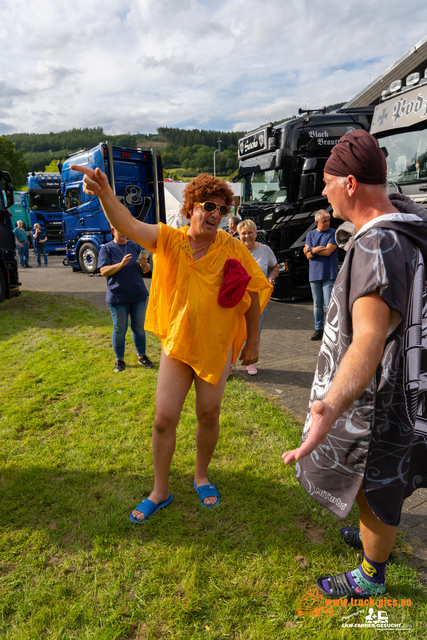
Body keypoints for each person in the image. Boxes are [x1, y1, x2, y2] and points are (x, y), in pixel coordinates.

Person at [71, 166, 272, 523]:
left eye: (223, 210)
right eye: (209, 206)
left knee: (208, 413)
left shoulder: (232, 248)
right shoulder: (170, 240)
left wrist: (253, 342)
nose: (216, 215)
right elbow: (130, 224)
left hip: (216, 344)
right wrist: (105, 195)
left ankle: (201, 476)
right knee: (164, 419)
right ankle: (160, 490)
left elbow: (254, 294)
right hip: (177, 342)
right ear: (191, 206)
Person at [282, 129, 427, 600]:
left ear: (348, 183)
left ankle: (371, 576)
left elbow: (366, 339)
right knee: (381, 479)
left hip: (379, 399)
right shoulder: (406, 223)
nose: (321, 192)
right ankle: (369, 543)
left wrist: (330, 403)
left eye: (326, 182)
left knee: (375, 482)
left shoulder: (375, 247)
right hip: (407, 385)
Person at [97, 227, 153, 372]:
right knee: (120, 329)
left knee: (139, 328)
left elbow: (147, 270)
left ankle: (142, 356)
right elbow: (103, 271)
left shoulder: (135, 246)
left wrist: (144, 264)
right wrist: (121, 264)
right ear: (112, 230)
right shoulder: (107, 249)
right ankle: (119, 360)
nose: (123, 231)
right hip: (117, 296)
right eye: (119, 229)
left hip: (138, 295)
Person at [237, 218, 279, 375]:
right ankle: (230, 363)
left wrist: (270, 278)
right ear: (238, 235)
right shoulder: (235, 249)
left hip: (259, 300)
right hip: (238, 298)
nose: (246, 236)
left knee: (254, 330)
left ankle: (250, 361)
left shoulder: (265, 250)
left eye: (249, 233)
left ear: (255, 233)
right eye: (243, 233)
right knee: (234, 330)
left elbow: (274, 267)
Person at [303, 210, 338, 341]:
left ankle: (331, 330)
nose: (327, 223)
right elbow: (307, 255)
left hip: (329, 273)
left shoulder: (333, 233)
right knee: (317, 304)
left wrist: (312, 250)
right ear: (317, 222)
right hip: (314, 275)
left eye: (328, 220)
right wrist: (314, 250)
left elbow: (328, 251)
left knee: (329, 304)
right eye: (324, 221)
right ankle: (318, 330)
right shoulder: (310, 234)